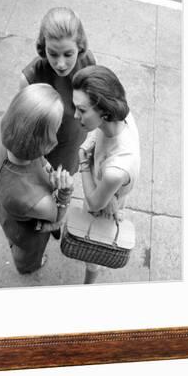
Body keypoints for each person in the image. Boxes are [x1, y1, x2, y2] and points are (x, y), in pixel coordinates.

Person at [0, 84, 74, 275]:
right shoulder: (37, 200)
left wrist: (44, 164)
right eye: (57, 127)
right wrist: (65, 192)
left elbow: (31, 152)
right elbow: (57, 217)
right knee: (27, 254)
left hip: (7, 210)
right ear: (44, 142)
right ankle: (29, 266)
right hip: (27, 231)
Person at [72, 65, 140, 284]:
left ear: (105, 112)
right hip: (108, 193)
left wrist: (83, 161)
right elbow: (98, 131)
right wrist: (91, 142)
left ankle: (87, 287)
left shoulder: (116, 169)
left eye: (82, 111)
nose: (75, 115)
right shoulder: (122, 115)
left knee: (93, 250)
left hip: (103, 204)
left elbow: (93, 203)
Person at [20, 7, 96, 175]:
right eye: (53, 54)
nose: (61, 64)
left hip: (74, 149)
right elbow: (26, 133)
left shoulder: (89, 62)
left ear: (80, 47)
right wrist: (43, 166)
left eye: (68, 54)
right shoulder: (30, 79)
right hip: (45, 162)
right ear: (43, 47)